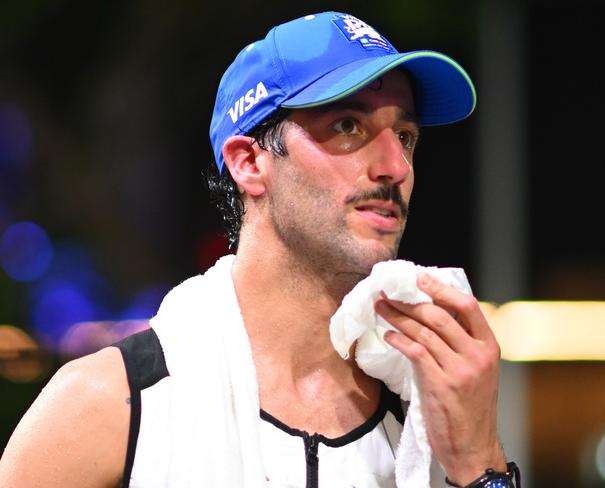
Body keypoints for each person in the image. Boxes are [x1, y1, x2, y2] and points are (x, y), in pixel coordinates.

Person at [0, 11, 519, 488]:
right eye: (348, 126)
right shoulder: (113, 404)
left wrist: (482, 466)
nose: (395, 166)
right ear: (249, 162)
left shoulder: (427, 418)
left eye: (404, 136)